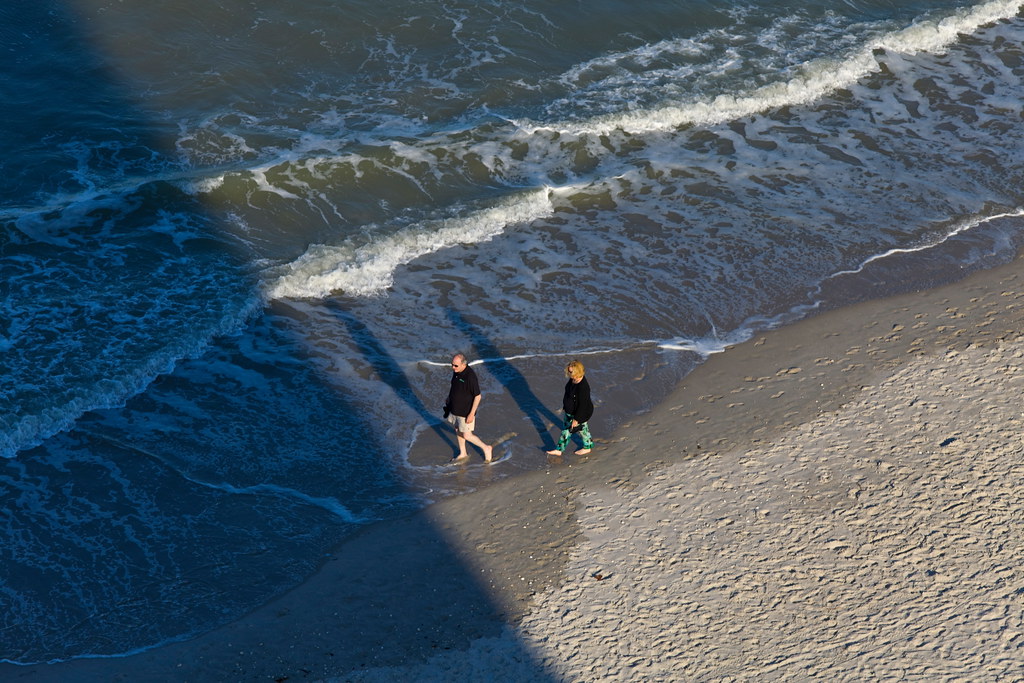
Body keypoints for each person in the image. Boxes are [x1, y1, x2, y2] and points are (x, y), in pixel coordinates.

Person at [444, 353, 493, 462]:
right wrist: (449, 398)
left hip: (465, 411)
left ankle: (486, 448)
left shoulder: (470, 376)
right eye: (452, 365)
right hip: (454, 408)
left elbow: (478, 396)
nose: (453, 367)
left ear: (463, 364)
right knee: (457, 429)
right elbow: (454, 386)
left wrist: (471, 414)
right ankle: (463, 453)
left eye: (456, 365)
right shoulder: (456, 372)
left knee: (467, 435)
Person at [546, 359, 594, 456]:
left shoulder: (583, 387)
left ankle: (560, 450)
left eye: (571, 371)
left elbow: (583, 405)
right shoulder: (573, 380)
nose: (569, 373)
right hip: (570, 411)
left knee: (572, 430)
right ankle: (586, 446)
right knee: (577, 429)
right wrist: (565, 406)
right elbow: (568, 394)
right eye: (569, 371)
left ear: (577, 372)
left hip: (580, 413)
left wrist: (577, 419)